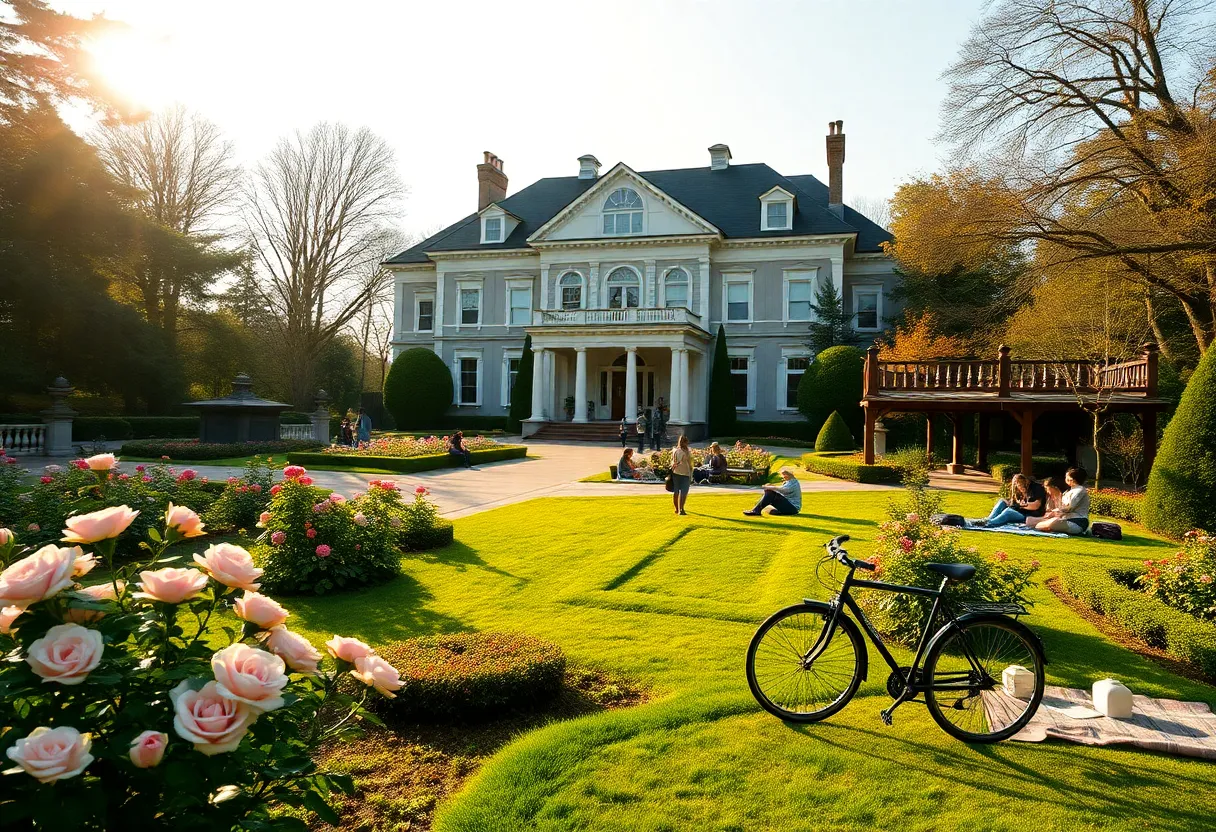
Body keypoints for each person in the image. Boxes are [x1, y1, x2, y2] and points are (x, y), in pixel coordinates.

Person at [969, 473, 1047, 528]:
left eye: (1021, 485)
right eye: (1018, 486)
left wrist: (1021, 505)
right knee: (1002, 502)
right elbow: (1015, 503)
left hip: (1027, 515)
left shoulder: (1036, 488)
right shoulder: (1018, 491)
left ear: (1026, 482)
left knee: (1008, 512)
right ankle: (987, 520)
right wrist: (1010, 503)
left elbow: (1036, 506)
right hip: (1019, 510)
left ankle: (989, 523)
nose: (1020, 488)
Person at [1036, 467, 1090, 535]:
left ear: (1071, 479)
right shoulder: (1068, 491)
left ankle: (1081, 531)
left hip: (1078, 521)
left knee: (1052, 523)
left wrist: (1055, 511)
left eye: (1066, 476)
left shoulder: (1080, 490)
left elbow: (1069, 507)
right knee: (1038, 525)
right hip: (1066, 519)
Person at [670, 434, 693, 515]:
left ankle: (676, 509)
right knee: (684, 492)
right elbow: (689, 463)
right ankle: (681, 509)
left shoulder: (675, 450)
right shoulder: (685, 452)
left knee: (676, 492)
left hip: (675, 472)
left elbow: (673, 461)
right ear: (685, 442)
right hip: (685, 473)